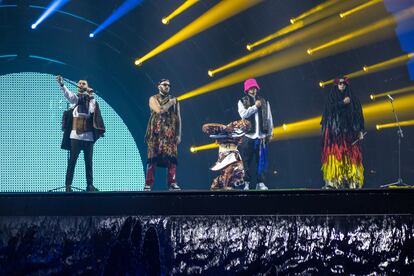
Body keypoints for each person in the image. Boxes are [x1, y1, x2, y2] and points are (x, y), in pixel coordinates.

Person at [57, 75, 105, 192]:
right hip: (75, 137)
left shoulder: (92, 100)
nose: (81, 85)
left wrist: (91, 95)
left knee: (89, 162)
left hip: (88, 137)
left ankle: (90, 185)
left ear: (87, 86)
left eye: (84, 83)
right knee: (72, 161)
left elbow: (93, 110)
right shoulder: (76, 99)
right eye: (79, 83)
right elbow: (68, 95)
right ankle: (68, 186)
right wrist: (62, 85)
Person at [321, 76, 365, 189]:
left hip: (350, 134)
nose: (342, 85)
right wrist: (341, 103)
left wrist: (361, 130)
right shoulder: (331, 99)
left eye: (344, 84)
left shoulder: (353, 99)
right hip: (335, 136)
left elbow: (359, 115)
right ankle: (334, 181)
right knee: (336, 156)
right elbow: (327, 112)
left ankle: (351, 180)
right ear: (336, 85)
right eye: (340, 83)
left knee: (350, 156)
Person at [144, 79, 181, 191]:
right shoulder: (153, 98)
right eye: (165, 85)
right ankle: (148, 184)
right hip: (155, 133)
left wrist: (179, 134)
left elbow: (178, 117)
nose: (167, 87)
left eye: (169, 85)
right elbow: (160, 110)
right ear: (158, 86)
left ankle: (172, 183)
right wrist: (170, 103)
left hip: (169, 133)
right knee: (152, 159)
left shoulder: (175, 100)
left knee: (171, 159)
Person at [238, 78, 274, 190]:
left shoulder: (264, 101)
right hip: (248, 136)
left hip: (261, 136)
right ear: (247, 89)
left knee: (261, 161)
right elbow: (243, 115)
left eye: (254, 88)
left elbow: (269, 117)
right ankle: (246, 183)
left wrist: (270, 132)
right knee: (246, 161)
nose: (253, 90)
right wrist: (255, 107)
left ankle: (261, 183)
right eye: (251, 88)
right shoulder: (242, 101)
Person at [202, 119, 251, 190]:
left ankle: (228, 187)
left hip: (231, 155)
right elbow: (205, 127)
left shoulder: (238, 133)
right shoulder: (228, 129)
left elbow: (239, 130)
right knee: (216, 184)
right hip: (224, 155)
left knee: (231, 170)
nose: (238, 124)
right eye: (239, 123)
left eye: (241, 124)